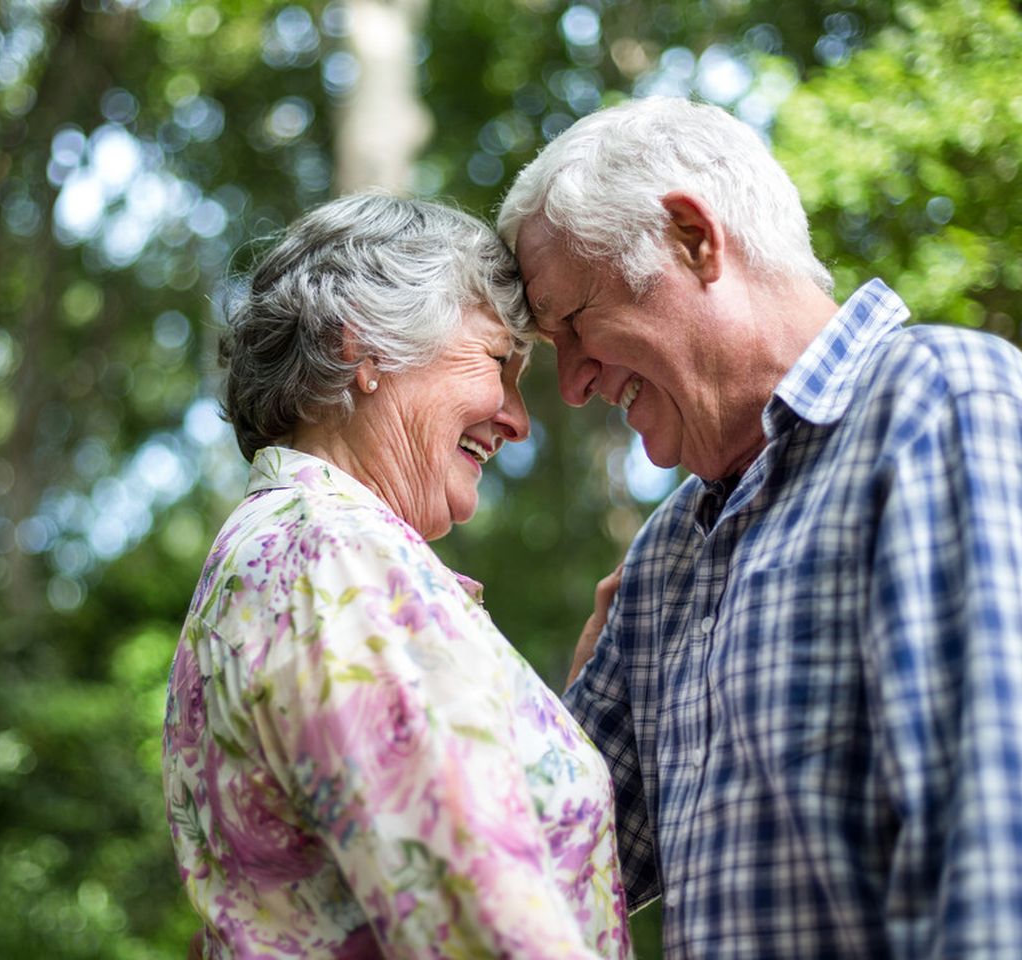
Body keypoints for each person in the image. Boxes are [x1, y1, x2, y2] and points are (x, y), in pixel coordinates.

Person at [498, 96, 1022, 958]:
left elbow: (992, 854)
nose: (575, 385)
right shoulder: (667, 555)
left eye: (575, 325)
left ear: (693, 239)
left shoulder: (934, 403)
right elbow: (528, 861)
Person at [163, 194, 632, 959]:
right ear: (363, 351)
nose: (519, 418)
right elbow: (480, 921)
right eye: (495, 362)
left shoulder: (296, 550)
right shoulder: (330, 555)